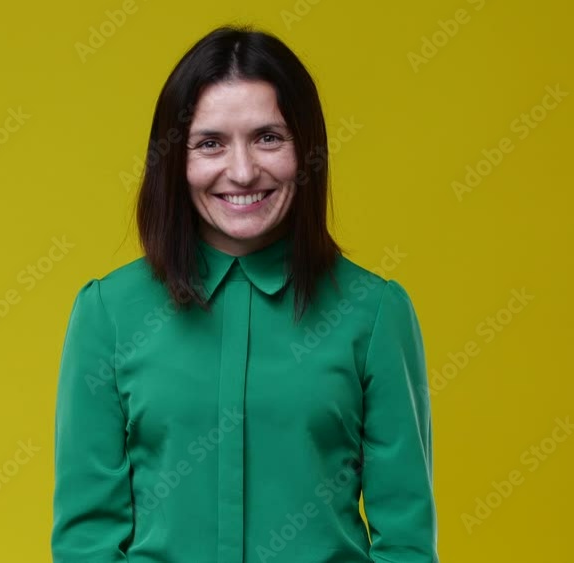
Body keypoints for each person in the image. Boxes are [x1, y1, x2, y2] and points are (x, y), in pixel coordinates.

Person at [52, 24, 440, 563]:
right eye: (210, 143)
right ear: (175, 159)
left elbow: (406, 542)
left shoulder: (374, 314)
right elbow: (85, 542)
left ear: (306, 150)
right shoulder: (108, 313)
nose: (241, 172)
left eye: (268, 138)